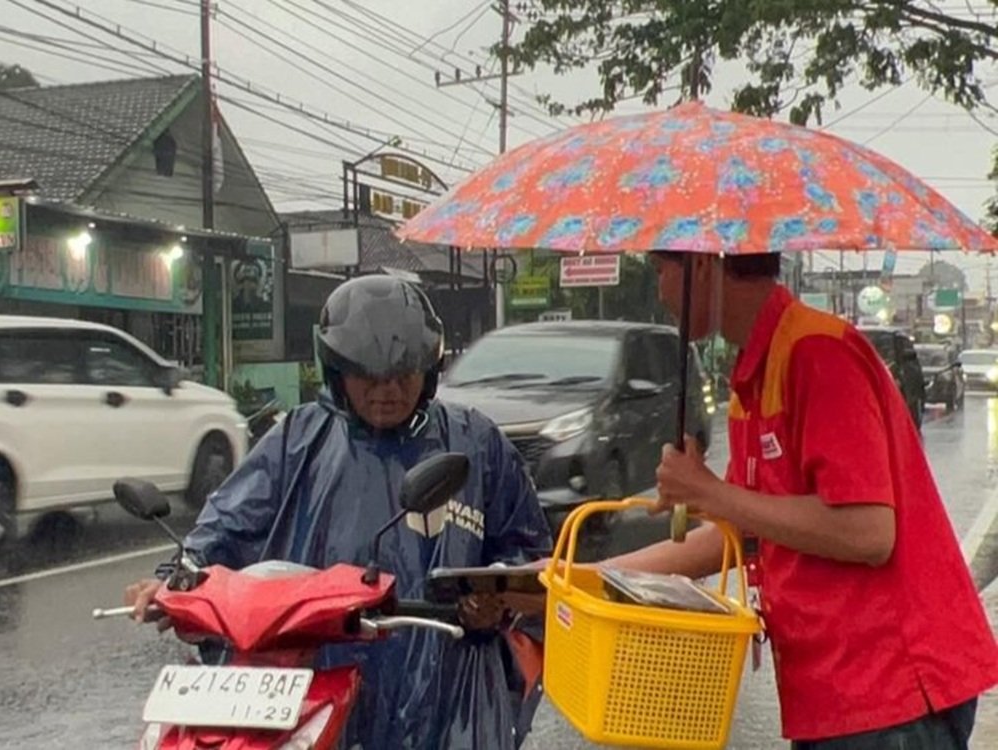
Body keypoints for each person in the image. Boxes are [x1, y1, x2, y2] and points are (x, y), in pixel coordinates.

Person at [124, 275, 551, 749]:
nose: (386, 391)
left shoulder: (475, 442)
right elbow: (226, 524)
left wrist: (492, 597)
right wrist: (176, 578)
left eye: (403, 375)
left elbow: (529, 555)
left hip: (444, 685)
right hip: (311, 672)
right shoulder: (299, 439)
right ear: (338, 372)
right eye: (369, 377)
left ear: (428, 371)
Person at [609, 251, 998, 749]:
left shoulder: (817, 352)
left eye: (661, 269)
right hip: (834, 695)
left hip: (890, 689)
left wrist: (711, 492)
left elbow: (868, 532)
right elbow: (740, 528)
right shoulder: (757, 370)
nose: (659, 289)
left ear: (703, 265)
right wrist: (591, 576)